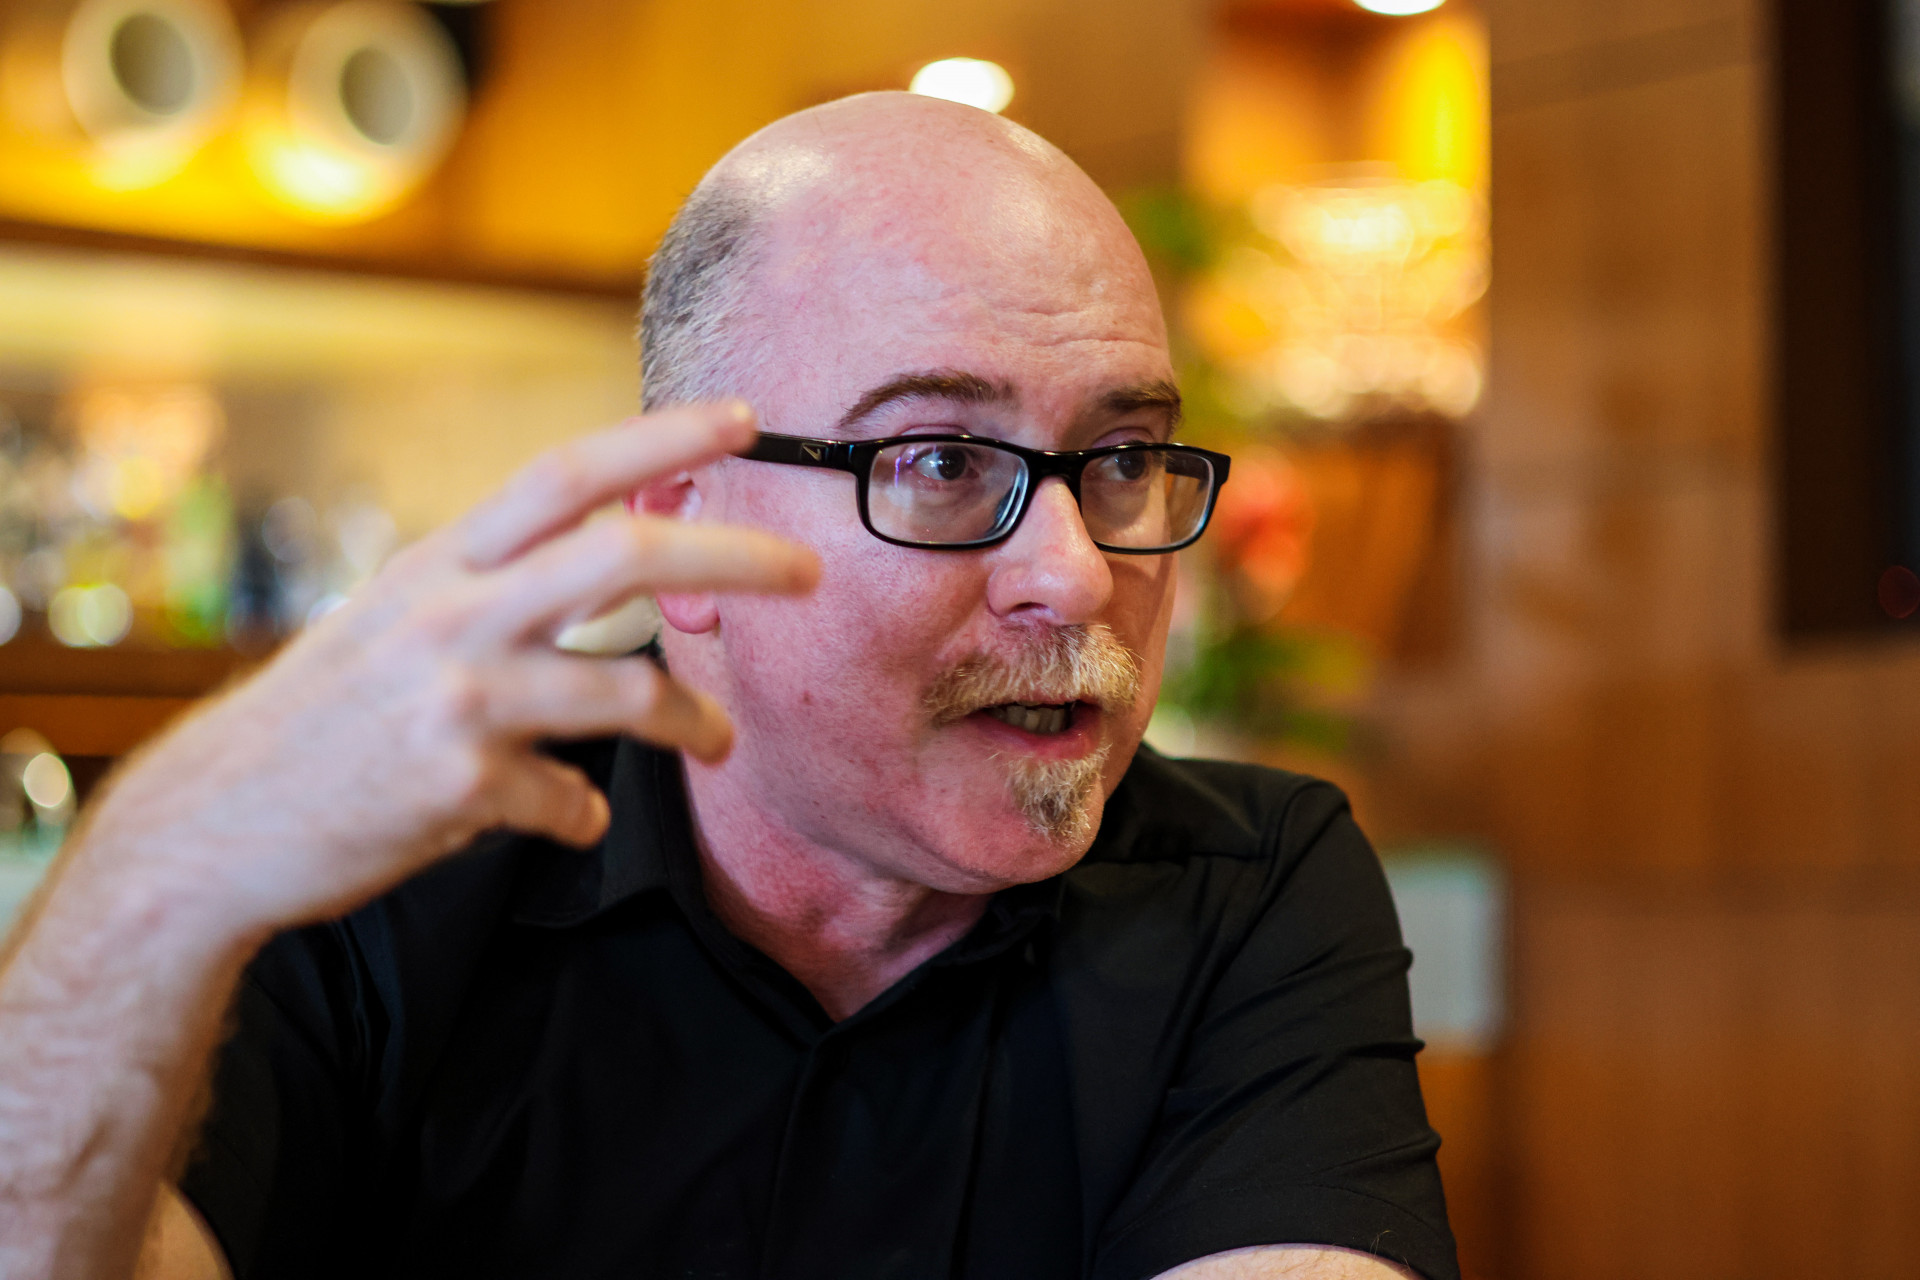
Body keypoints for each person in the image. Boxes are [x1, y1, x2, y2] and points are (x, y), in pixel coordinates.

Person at [0, 93, 1456, 1280]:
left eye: (1124, 459)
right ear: (681, 540)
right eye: (943, 464)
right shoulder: (372, 883)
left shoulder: (1251, 890)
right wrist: (156, 859)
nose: (1075, 575)